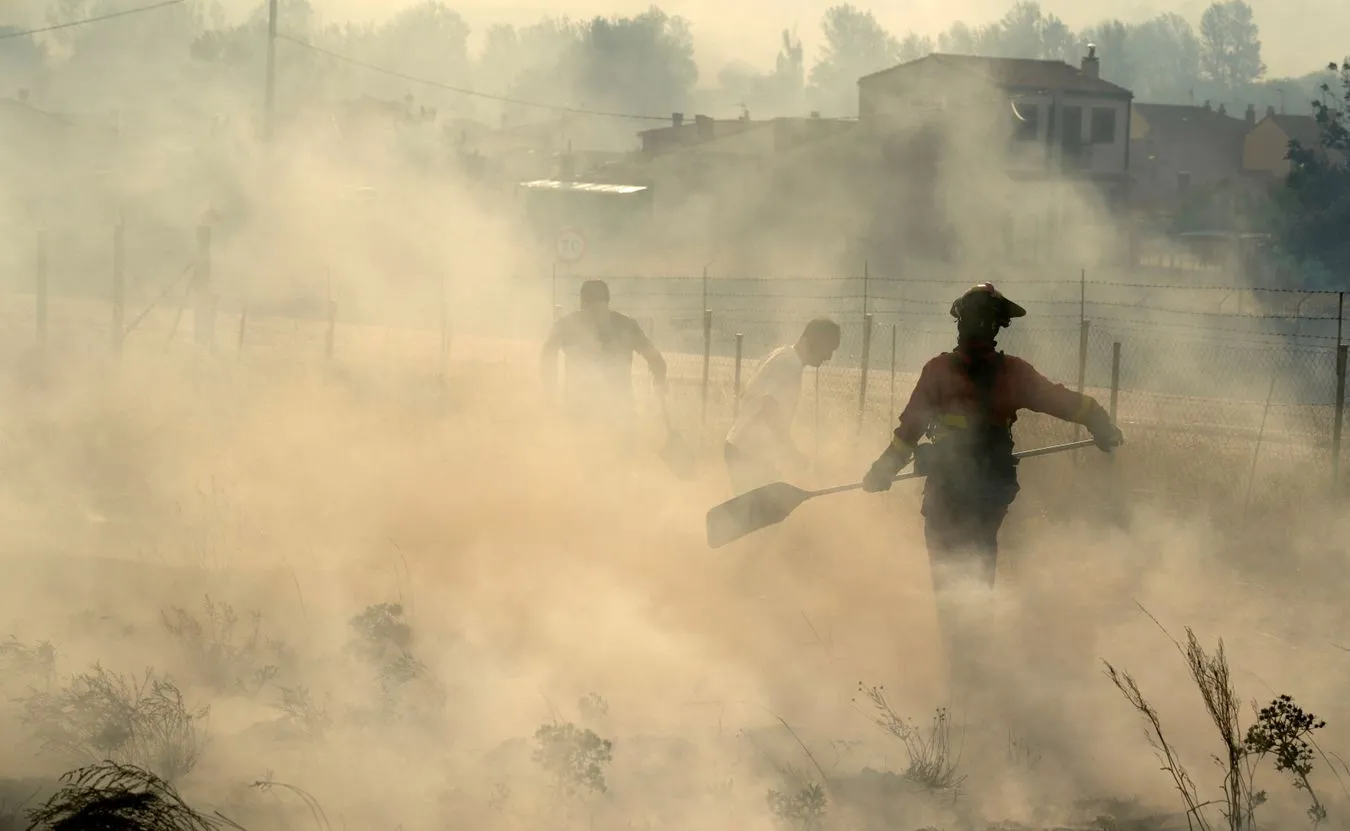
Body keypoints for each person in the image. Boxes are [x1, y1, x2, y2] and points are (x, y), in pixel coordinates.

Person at [859, 282, 1124, 708]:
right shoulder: (1012, 373)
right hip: (989, 498)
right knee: (977, 580)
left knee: (950, 585)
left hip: (946, 496)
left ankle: (962, 681)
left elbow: (908, 432)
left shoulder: (938, 371)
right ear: (998, 327)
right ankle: (975, 679)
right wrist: (1100, 422)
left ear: (960, 323)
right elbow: (1064, 401)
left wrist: (882, 471)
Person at [540, 279, 668, 451]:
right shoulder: (626, 325)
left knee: (580, 458)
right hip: (619, 412)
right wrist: (659, 382)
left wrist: (550, 391)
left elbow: (547, 355)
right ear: (607, 301)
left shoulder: (566, 325)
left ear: (583, 302)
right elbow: (655, 358)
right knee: (621, 460)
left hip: (579, 410)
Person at [724, 318, 842, 495]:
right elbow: (768, 406)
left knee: (763, 507)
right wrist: (791, 451)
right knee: (760, 509)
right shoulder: (790, 364)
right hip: (747, 454)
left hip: (745, 450)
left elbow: (749, 393)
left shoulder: (782, 354)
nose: (829, 356)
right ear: (811, 340)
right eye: (828, 348)